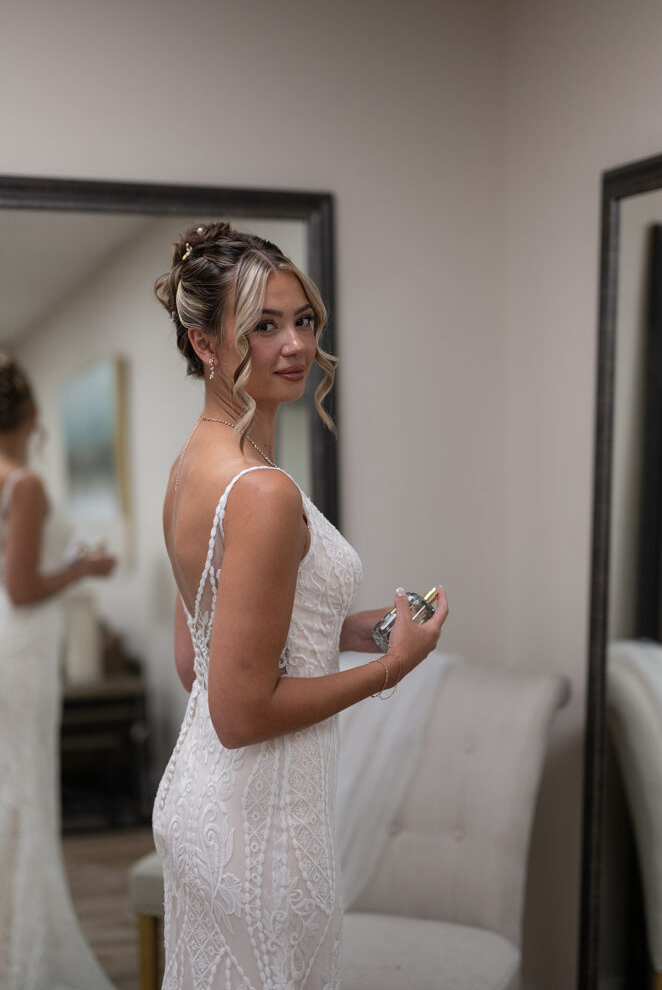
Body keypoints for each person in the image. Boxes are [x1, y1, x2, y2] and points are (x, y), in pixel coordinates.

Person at [152, 223, 448, 990]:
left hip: (203, 805)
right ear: (205, 344)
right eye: (263, 325)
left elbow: (199, 655)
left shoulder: (193, 469)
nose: (294, 346)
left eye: (303, 320)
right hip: (260, 829)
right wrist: (392, 668)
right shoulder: (261, 492)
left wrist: (347, 628)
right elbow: (239, 711)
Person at [0, 353, 117, 989]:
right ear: (32, 413)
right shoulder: (27, 483)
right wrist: (84, 569)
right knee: (24, 789)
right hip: (21, 644)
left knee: (15, 785)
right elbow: (20, 587)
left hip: (15, 641)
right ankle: (26, 956)